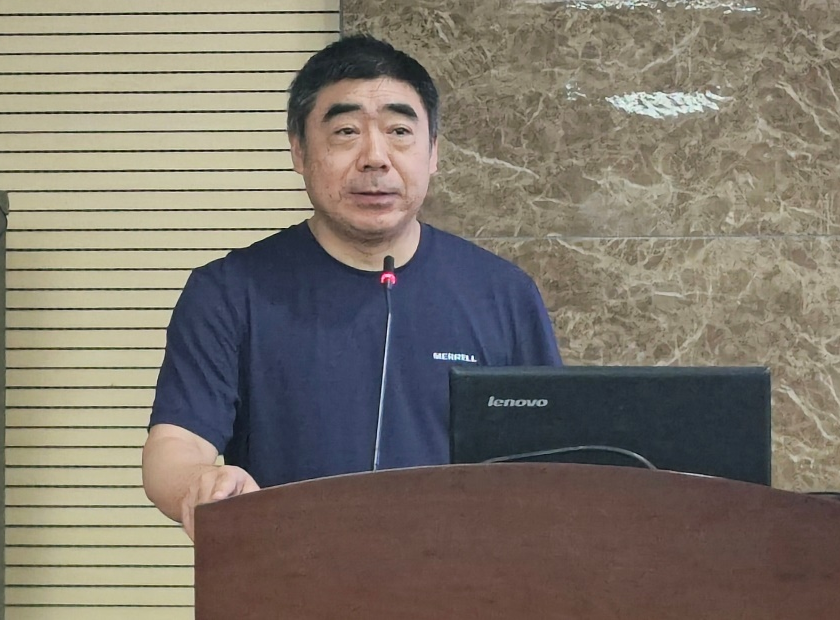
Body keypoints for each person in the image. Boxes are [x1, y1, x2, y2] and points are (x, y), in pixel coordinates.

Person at [141, 34, 561, 537]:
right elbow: (176, 444)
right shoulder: (230, 292)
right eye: (345, 132)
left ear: (433, 153)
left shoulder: (504, 294)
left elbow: (554, 459)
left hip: (464, 576)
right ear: (299, 152)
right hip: (287, 572)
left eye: (399, 131)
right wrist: (199, 483)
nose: (375, 158)